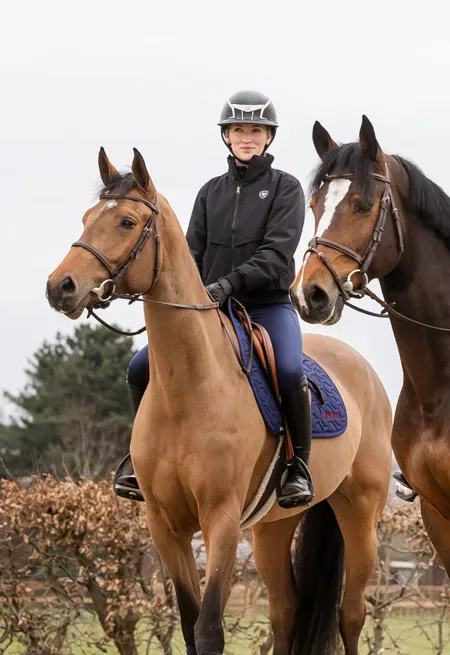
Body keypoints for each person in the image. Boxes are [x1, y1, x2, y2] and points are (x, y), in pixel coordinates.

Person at [114, 90, 313, 508]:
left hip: (266, 305)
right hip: (210, 308)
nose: (247, 138)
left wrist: (229, 284)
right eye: (239, 130)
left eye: (255, 130)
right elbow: (191, 256)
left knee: (292, 371)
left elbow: (277, 254)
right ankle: (138, 459)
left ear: (268, 138)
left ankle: (299, 466)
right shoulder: (209, 192)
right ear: (226, 136)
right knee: (137, 367)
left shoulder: (286, 188)